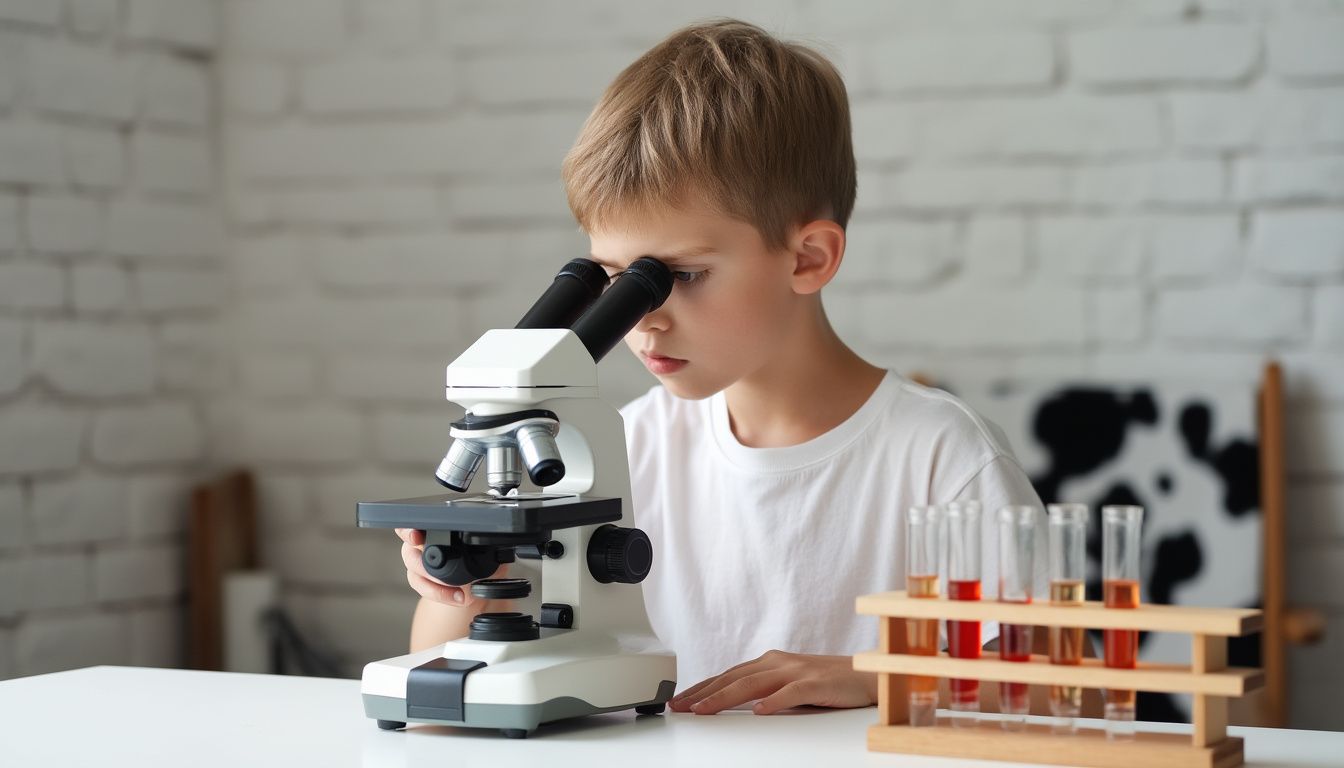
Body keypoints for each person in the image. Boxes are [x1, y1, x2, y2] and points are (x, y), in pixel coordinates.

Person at [396, 18, 1049, 717]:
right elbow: (437, 680)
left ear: (808, 258)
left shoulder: (942, 461)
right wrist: (463, 583)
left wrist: (885, 675)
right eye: (615, 280)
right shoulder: (626, 451)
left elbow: (1068, 692)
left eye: (680, 273)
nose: (642, 316)